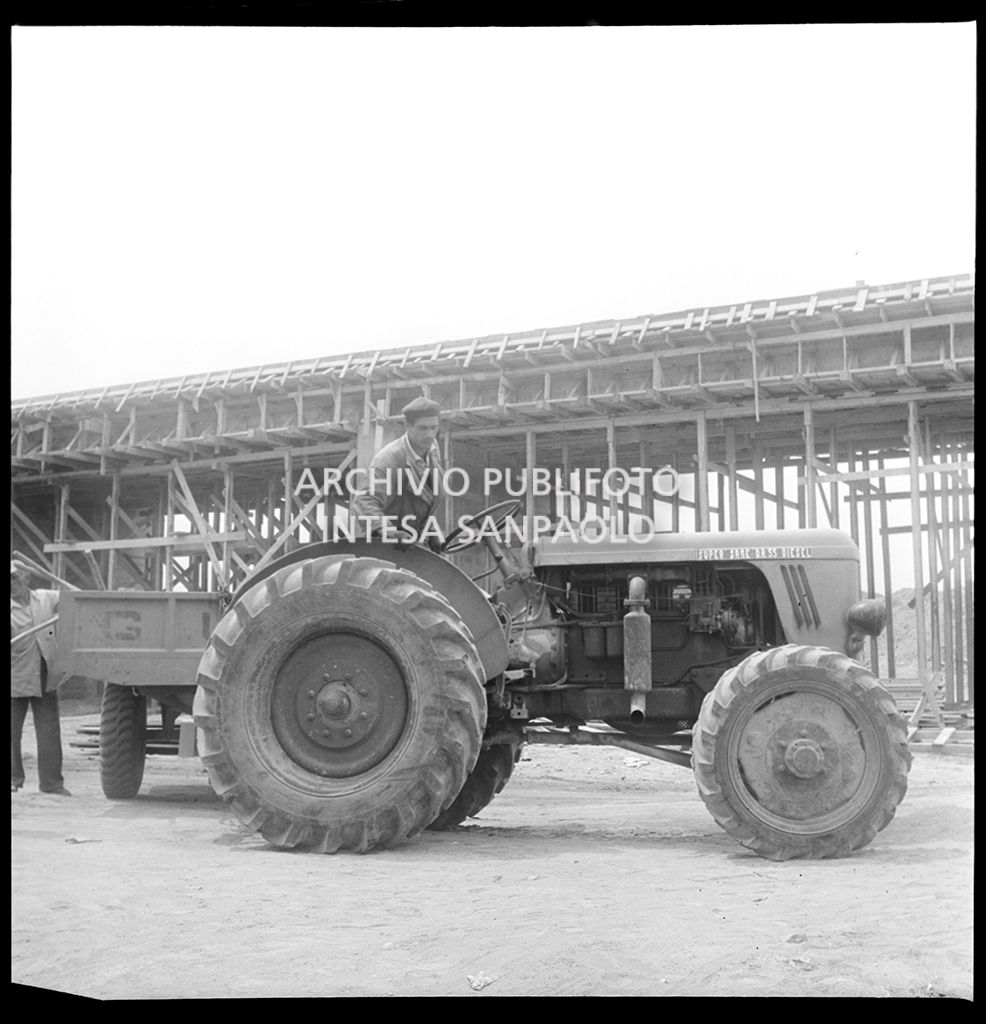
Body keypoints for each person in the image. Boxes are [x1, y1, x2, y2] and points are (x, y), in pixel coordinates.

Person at [350, 396, 445, 550]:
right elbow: (364, 501)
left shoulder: (432, 450)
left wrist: (431, 530)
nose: (429, 434)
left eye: (433, 428)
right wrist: (390, 532)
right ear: (408, 426)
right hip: (388, 548)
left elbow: (422, 501)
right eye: (423, 428)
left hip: (415, 544)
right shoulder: (389, 460)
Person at [10, 560, 70, 795]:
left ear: (25, 578)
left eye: (13, 578)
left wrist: (84, 596)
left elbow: (72, 599)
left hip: (45, 673)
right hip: (16, 675)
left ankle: (52, 784)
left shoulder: (44, 598)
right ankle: (13, 780)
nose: (10, 584)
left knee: (49, 732)